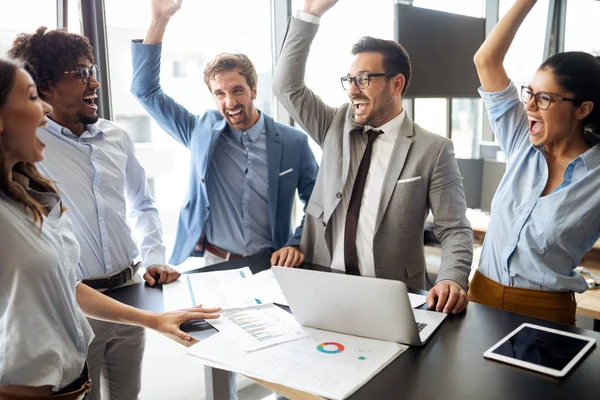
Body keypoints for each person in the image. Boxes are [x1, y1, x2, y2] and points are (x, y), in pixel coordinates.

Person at [0, 56, 220, 399]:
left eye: (94, 72)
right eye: (31, 97)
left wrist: (153, 315)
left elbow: (66, 283)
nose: (42, 110)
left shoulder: (31, 193)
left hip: (118, 303)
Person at [272, 0, 473, 314]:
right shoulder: (333, 125)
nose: (353, 90)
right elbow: (285, 86)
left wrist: (452, 278)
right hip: (322, 285)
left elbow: (454, 228)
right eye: (350, 80)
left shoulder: (433, 149)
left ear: (396, 83)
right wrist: (309, 15)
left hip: (393, 297)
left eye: (364, 79)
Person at [130, 0, 318, 269]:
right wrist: (159, 21)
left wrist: (296, 242)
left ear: (254, 90)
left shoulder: (293, 142)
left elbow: (316, 201)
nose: (230, 102)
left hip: (270, 263)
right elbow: (144, 91)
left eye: (237, 90)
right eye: (220, 93)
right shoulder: (200, 132)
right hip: (211, 262)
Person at [470, 0, 600, 325]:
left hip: (544, 312)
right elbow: (486, 60)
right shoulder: (520, 139)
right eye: (530, 92)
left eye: (545, 98)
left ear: (582, 109)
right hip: (480, 295)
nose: (529, 105)